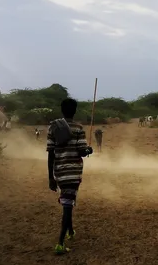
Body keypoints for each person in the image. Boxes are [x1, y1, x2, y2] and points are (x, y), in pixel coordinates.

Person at [46, 98, 93, 254]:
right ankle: (60, 243)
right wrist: (88, 150)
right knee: (67, 205)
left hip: (59, 171)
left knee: (68, 201)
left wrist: (51, 177)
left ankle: (71, 231)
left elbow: (50, 154)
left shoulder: (53, 128)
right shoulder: (79, 128)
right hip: (73, 172)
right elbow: (81, 151)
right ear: (75, 111)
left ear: (62, 110)